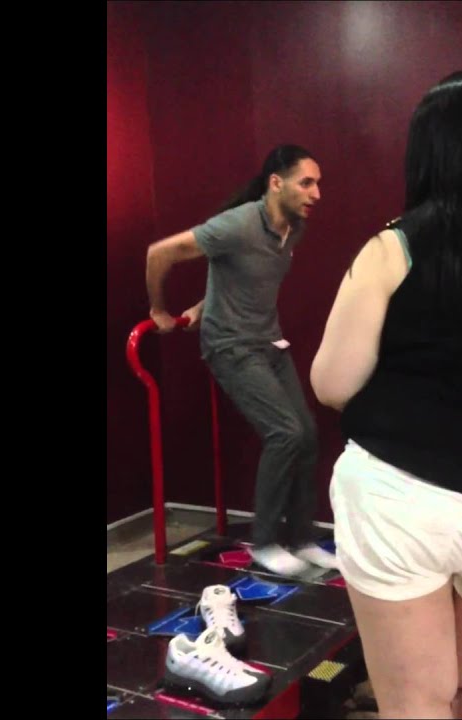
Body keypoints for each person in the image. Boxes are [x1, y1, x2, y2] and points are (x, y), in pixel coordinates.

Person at [310, 70, 462, 718]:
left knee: (414, 700)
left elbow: (331, 383)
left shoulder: (393, 246)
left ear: (425, 151)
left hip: (402, 493)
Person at [144, 144, 337, 577]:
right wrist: (159, 311)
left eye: (318, 184)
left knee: (306, 435)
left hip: (269, 343)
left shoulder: (293, 229)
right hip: (230, 346)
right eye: (307, 183)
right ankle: (265, 543)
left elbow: (241, 274)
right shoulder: (238, 224)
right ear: (276, 183)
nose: (316, 193)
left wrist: (204, 303)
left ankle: (302, 540)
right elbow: (159, 253)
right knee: (285, 432)